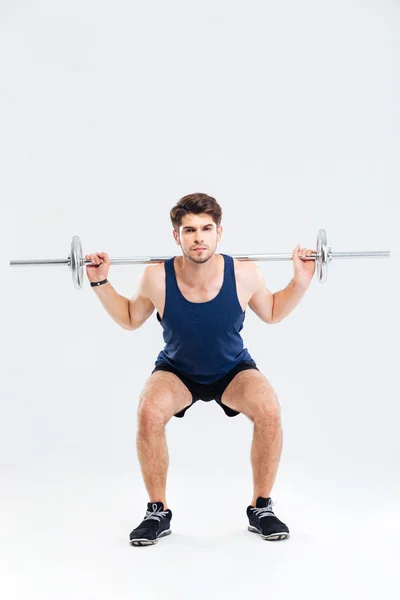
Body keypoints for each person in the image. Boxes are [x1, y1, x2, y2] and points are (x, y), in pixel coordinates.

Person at [86, 193, 316, 546]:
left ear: (219, 232)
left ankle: (262, 508)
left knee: (269, 410)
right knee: (149, 411)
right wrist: (100, 281)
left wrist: (300, 279)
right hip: (177, 370)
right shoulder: (156, 278)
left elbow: (271, 312)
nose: (199, 237)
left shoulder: (244, 274)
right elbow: (131, 318)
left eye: (206, 228)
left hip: (232, 369)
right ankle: (157, 512)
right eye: (190, 230)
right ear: (176, 236)